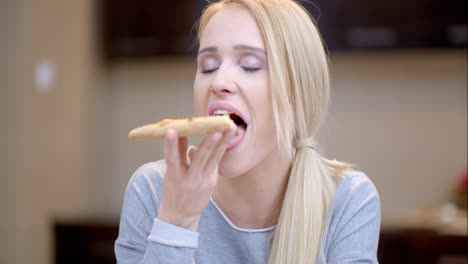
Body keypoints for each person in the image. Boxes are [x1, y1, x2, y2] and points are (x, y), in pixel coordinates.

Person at [114, 0, 381, 263]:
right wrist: (175, 223)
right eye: (208, 66)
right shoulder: (154, 190)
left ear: (295, 90)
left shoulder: (348, 201)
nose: (219, 82)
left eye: (250, 64)